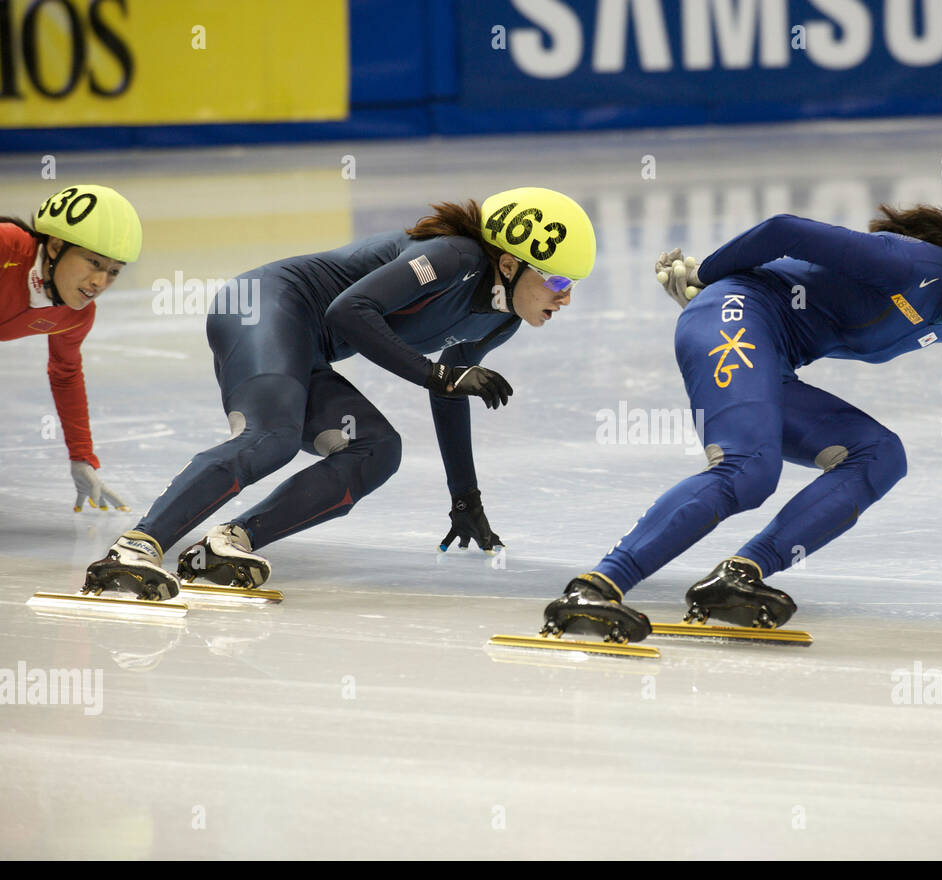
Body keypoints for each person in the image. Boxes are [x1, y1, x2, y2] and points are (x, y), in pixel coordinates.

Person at [542, 196, 942, 643]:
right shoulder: (918, 267)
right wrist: (704, 277)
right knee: (749, 471)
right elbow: (785, 230)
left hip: (770, 354)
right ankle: (595, 587)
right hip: (732, 318)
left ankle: (738, 576)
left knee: (880, 454)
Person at [82, 187, 595, 600]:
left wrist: (466, 497)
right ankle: (137, 545)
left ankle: (226, 544)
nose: (565, 296)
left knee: (378, 449)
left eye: (574, 283)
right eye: (555, 279)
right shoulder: (451, 256)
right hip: (262, 306)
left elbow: (449, 391)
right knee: (273, 437)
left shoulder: (502, 319)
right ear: (508, 264)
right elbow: (349, 312)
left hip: (305, 346)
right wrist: (439, 376)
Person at [1, 184, 142, 513]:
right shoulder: (7, 246)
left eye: (113, 272)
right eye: (93, 262)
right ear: (55, 245)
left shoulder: (76, 316)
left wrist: (82, 457)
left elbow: (65, 375)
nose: (99, 282)